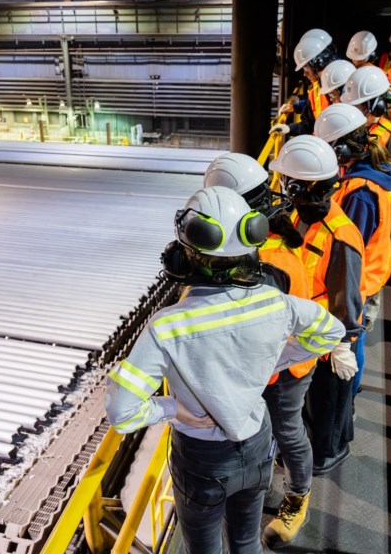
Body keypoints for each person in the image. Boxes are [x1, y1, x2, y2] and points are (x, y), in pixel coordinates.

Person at [105, 186, 349, 554]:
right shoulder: (276, 303)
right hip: (258, 446)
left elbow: (122, 413)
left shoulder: (167, 326)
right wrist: (276, 360)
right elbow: (332, 331)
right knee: (246, 540)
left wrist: (171, 409)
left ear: (187, 256)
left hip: (203, 460)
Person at [203, 153, 316, 547]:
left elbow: (257, 334)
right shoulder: (264, 235)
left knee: (288, 431)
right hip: (278, 362)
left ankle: (298, 497)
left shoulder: (264, 263)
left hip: (282, 370)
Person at [267, 136, 364, 476]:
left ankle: (325, 458)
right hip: (302, 334)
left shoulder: (340, 235)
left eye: (286, 181)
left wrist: (343, 344)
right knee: (314, 408)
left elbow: (348, 296)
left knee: (327, 408)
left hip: (325, 339)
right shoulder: (299, 215)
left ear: (301, 186)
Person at [315, 104, 391, 398]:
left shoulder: (360, 191)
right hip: (370, 269)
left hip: (360, 277)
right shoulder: (365, 171)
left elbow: (350, 247)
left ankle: (349, 394)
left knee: (353, 338)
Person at [341, 66, 391, 212]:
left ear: (377, 106)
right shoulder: (358, 128)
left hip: (371, 213)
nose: (354, 112)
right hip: (352, 200)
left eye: (358, 107)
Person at [272, 29, 339, 138]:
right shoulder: (315, 91)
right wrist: (289, 128)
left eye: (305, 68)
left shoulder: (339, 86)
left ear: (317, 64)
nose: (304, 74)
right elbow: (308, 124)